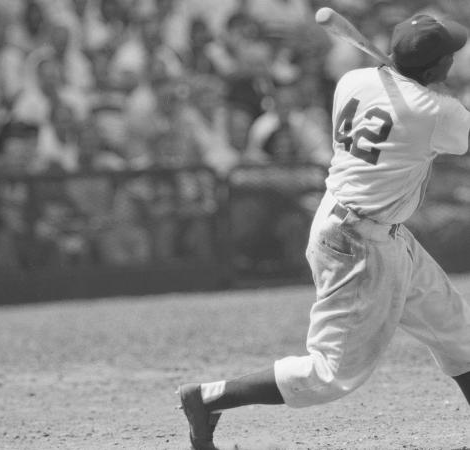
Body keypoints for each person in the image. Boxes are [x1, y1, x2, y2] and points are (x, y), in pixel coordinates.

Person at [177, 14, 470, 450]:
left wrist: (424, 83)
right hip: (359, 243)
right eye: (449, 58)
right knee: (330, 375)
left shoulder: (354, 80)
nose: (454, 62)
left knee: (456, 331)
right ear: (432, 69)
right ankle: (208, 399)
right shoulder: (437, 111)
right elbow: (446, 124)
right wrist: (435, 92)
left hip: (370, 228)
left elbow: (406, 103)